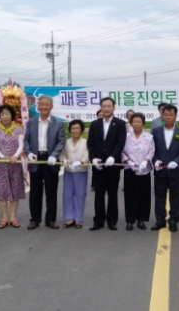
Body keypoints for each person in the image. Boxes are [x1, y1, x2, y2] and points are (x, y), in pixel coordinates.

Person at [24, 95, 66, 230]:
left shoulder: (58, 123)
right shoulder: (31, 122)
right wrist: (28, 153)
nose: (44, 107)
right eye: (41, 104)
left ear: (51, 106)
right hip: (35, 159)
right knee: (35, 192)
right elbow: (25, 140)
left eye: (47, 104)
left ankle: (51, 219)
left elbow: (61, 141)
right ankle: (34, 219)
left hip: (51, 161)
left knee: (51, 192)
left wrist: (54, 155)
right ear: (38, 106)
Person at [87, 97, 127, 231]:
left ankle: (112, 221)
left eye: (109, 106)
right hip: (98, 164)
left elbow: (121, 142)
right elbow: (90, 143)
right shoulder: (95, 124)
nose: (106, 108)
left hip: (113, 165)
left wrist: (113, 157)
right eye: (104, 106)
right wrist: (93, 158)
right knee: (99, 193)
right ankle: (98, 221)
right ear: (101, 108)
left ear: (114, 108)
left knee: (112, 193)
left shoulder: (120, 123)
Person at [151, 104, 179, 232]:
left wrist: (177, 161)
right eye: (166, 115)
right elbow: (151, 149)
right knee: (159, 196)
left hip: (175, 170)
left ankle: (174, 220)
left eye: (171, 115)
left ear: (175, 116)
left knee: (176, 196)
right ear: (162, 116)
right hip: (160, 170)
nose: (168, 117)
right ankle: (160, 220)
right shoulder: (156, 131)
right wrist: (155, 161)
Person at [0, 104, 26, 229]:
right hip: (0, 165)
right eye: (2, 114)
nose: (4, 117)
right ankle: (4, 219)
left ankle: (13, 218)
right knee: (2, 191)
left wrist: (15, 156)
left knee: (15, 191)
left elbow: (21, 145)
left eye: (7, 114)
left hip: (15, 164)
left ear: (12, 116)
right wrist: (2, 157)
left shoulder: (19, 129)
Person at [121, 113, 155, 230]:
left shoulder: (149, 137)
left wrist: (146, 161)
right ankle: (130, 220)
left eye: (139, 121)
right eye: (134, 121)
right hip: (130, 169)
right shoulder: (126, 137)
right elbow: (122, 152)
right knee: (130, 195)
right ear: (131, 123)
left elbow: (152, 151)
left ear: (143, 123)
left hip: (144, 169)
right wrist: (128, 161)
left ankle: (141, 219)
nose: (136, 124)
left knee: (144, 195)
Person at [60, 119, 90, 229]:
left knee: (80, 195)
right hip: (68, 171)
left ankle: (78, 219)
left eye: (77, 128)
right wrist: (64, 160)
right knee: (68, 195)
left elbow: (87, 155)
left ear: (81, 130)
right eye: (73, 128)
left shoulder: (85, 142)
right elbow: (63, 154)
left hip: (81, 171)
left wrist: (81, 162)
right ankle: (70, 218)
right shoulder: (66, 142)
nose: (75, 130)